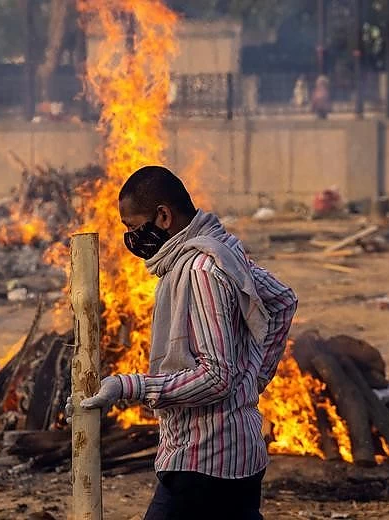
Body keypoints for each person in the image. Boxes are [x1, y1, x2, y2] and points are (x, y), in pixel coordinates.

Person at [68, 165, 298, 520]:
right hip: (237, 453)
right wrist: (253, 376)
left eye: (132, 226)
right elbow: (283, 300)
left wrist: (127, 386)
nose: (130, 238)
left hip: (206, 458)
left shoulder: (199, 271)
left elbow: (216, 377)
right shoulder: (222, 250)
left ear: (163, 216)